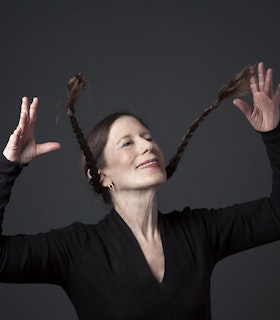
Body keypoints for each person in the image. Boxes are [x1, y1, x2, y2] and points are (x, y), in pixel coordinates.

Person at [1, 61, 280, 320]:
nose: (147, 146)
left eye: (148, 138)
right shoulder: (78, 250)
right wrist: (9, 166)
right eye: (127, 143)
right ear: (101, 175)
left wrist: (273, 134)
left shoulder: (198, 231)